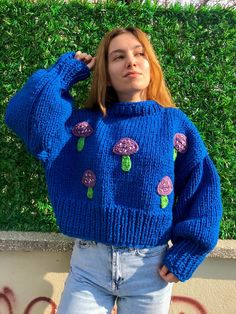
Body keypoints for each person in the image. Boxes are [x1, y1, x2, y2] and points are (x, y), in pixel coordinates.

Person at [5, 27, 223, 314]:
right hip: (88, 269)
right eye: (118, 56)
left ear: (151, 64)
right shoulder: (82, 127)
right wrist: (65, 72)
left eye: (139, 53)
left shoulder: (174, 124)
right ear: (105, 72)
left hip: (150, 270)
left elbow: (203, 186)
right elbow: (24, 115)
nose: (131, 61)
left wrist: (189, 251)